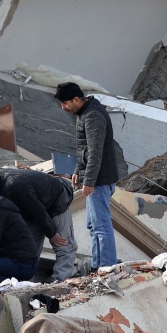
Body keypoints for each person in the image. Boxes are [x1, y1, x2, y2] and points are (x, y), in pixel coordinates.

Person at [55, 82, 119, 271]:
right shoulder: (85, 113)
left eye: (65, 103)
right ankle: (99, 266)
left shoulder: (93, 116)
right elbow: (84, 149)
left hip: (99, 181)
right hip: (96, 179)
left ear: (76, 99)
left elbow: (95, 152)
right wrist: (77, 171)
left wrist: (89, 181)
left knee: (101, 226)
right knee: (93, 225)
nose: (63, 107)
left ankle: (107, 268)